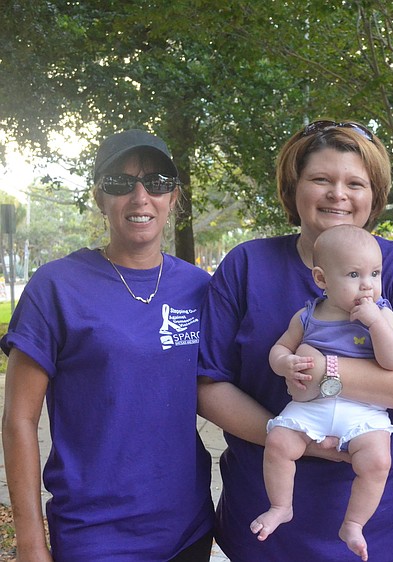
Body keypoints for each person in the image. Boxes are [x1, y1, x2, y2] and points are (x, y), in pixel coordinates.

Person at [196, 120, 393, 561]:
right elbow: (209, 385)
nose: (339, 194)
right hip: (263, 528)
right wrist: (292, 437)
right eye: (321, 179)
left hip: (380, 533)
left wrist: (328, 372)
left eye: (355, 183)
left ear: (373, 195)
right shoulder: (247, 264)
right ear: (292, 187)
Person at [1, 129, 214, 561]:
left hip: (188, 528)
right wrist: (30, 539)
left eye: (156, 183)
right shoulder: (57, 287)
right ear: (100, 198)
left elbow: (218, 390)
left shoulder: (199, 288)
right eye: (121, 183)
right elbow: (19, 420)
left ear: (173, 198)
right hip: (96, 535)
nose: (140, 197)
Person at [251, 224, 393, 561]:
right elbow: (278, 350)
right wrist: (286, 363)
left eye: (375, 273)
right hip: (310, 406)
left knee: (378, 461)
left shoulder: (383, 313)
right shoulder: (307, 316)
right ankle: (281, 506)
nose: (368, 284)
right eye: (353, 274)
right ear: (322, 279)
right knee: (278, 442)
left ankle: (353, 523)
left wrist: (376, 323)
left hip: (363, 409)